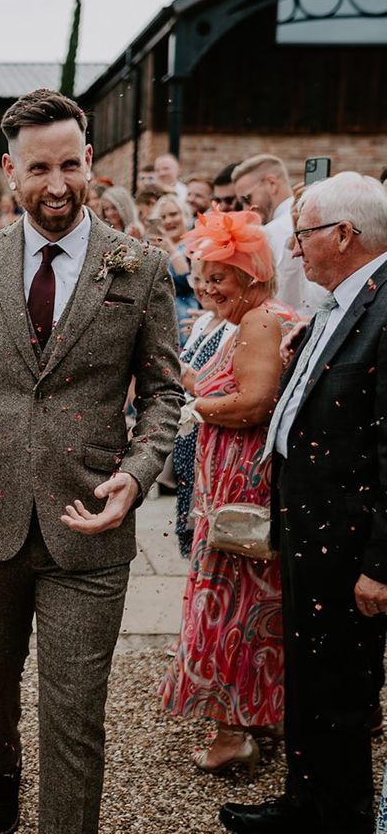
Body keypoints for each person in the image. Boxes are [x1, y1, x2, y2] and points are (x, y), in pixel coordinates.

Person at [0, 89, 183, 834]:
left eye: (70, 166)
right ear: (11, 172)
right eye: (39, 168)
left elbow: (166, 394)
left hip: (91, 521)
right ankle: (2, 757)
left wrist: (138, 472)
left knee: (76, 717)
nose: (56, 186)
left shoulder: (139, 266)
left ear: (90, 164)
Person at [220, 173, 387, 834]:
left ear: (344, 235)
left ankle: (338, 817)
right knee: (309, 678)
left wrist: (380, 562)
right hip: (309, 529)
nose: (293, 251)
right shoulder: (343, 299)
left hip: (349, 546)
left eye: (303, 235)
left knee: (342, 691)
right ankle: (304, 802)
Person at [160, 210, 296, 773]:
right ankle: (259, 716)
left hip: (242, 499)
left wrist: (194, 408)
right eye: (201, 273)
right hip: (232, 491)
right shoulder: (252, 318)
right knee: (250, 610)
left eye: (220, 276)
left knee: (233, 612)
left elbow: (253, 403)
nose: (205, 285)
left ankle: (232, 735)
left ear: (254, 277)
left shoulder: (261, 320)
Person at [170, 259, 234, 558]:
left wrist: (173, 366)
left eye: (212, 279)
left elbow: (211, 386)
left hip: (208, 439)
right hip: (188, 441)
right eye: (196, 278)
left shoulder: (233, 327)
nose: (201, 287)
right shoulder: (202, 322)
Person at [233, 154, 324, 316]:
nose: (246, 209)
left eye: (247, 198)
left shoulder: (271, 231)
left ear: (272, 184)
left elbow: (282, 298)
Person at [147, 194, 198, 330]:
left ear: (184, 214)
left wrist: (171, 248)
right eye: (163, 218)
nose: (169, 221)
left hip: (187, 314)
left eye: (173, 214)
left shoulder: (195, 243)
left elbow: (186, 279)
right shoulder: (157, 248)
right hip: (162, 318)